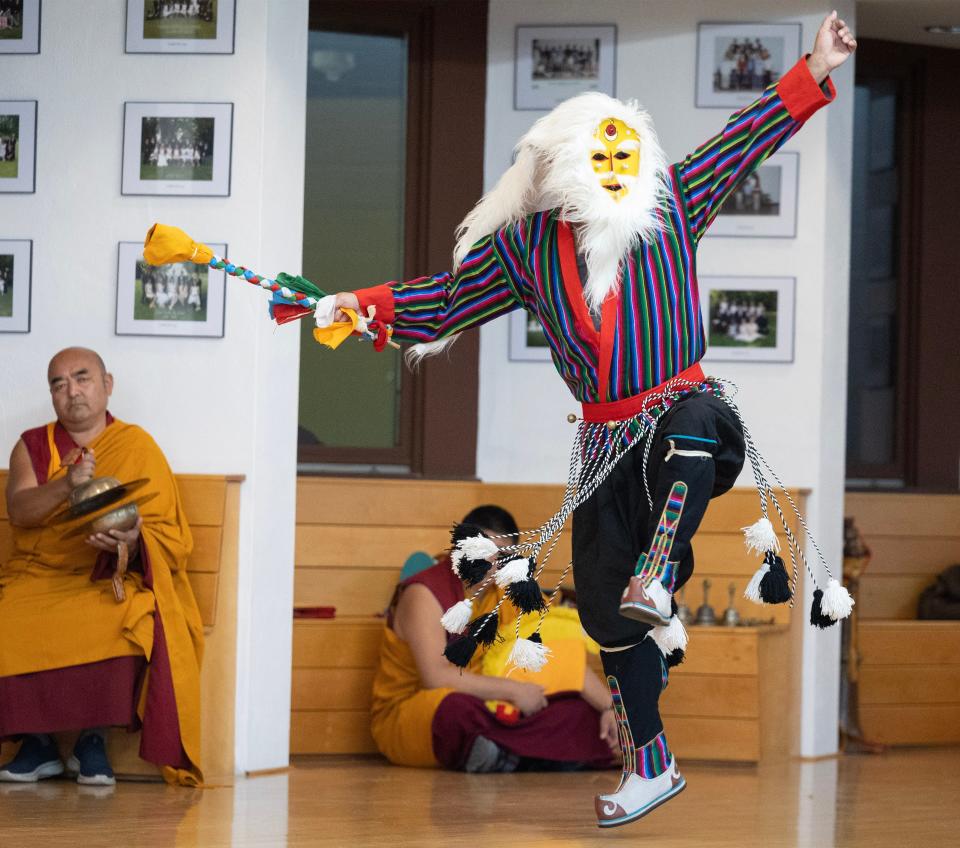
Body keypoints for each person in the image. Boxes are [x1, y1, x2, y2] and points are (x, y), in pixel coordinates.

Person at [328, 12, 857, 828]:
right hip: (605, 443)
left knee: (689, 429)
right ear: (563, 168)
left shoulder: (671, 203)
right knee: (609, 618)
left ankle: (658, 567)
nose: (614, 168)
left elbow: (742, 141)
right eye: (596, 157)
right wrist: (351, 307)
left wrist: (814, 68)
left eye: (624, 153)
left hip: (689, 413)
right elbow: (443, 300)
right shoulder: (526, 250)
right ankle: (652, 761)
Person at [0, 347, 204, 787]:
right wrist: (66, 485)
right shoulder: (31, 445)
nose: (72, 391)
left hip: (105, 576)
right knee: (9, 615)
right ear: (51, 396)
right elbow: (19, 511)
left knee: (126, 617)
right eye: (59, 383)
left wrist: (132, 539)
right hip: (40, 576)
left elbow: (166, 533)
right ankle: (36, 744)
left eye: (82, 378)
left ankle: (93, 740)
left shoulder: (137, 446)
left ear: (107, 385)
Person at [371, 504, 618, 772]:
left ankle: (503, 754)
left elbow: (557, 649)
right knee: (455, 712)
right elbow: (436, 678)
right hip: (417, 710)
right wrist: (513, 691)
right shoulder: (424, 593)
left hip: (494, 701)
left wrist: (609, 708)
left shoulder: (507, 592)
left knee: (579, 711)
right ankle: (546, 754)